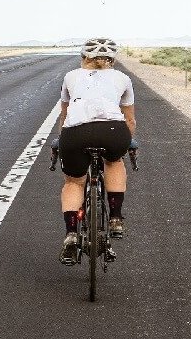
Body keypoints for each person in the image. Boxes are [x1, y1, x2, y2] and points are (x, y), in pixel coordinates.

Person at [54, 37, 136, 265]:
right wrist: (127, 142)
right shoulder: (123, 78)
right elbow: (129, 119)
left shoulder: (71, 76)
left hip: (75, 133)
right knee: (114, 162)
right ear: (112, 60)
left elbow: (65, 114)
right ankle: (116, 218)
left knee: (73, 182)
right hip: (113, 130)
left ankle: (71, 234)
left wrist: (62, 140)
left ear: (83, 57)